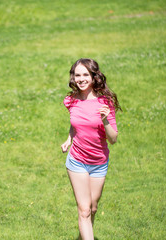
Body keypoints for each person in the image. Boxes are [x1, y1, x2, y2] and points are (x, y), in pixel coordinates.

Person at [61, 58, 121, 239]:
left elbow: (113, 139)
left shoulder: (105, 102)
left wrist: (105, 120)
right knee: (84, 210)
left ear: (94, 76)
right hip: (77, 161)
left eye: (85, 74)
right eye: (77, 75)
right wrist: (69, 138)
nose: (81, 79)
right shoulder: (71, 101)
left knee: (93, 208)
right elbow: (76, 124)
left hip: (99, 162)